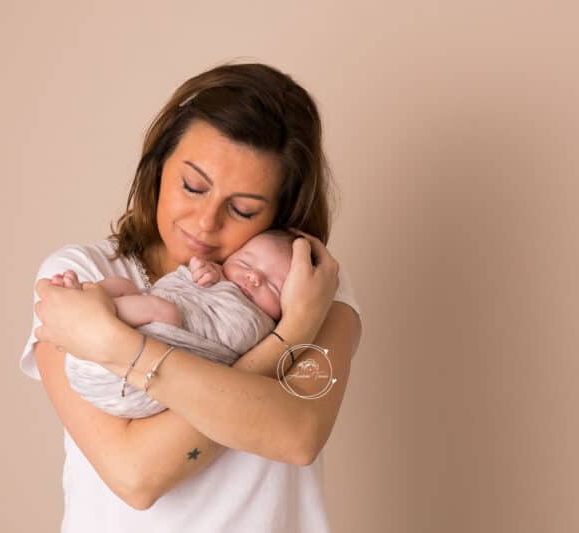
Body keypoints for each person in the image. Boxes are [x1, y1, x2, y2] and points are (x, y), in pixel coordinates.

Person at [22, 62, 363, 533]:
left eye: (243, 209)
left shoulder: (305, 287)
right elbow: (136, 476)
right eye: (193, 186)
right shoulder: (83, 277)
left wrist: (119, 346)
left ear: (282, 211)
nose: (206, 223)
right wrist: (285, 340)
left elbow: (297, 436)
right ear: (158, 165)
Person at [47, 229, 297, 418]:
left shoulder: (260, 324)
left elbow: (232, 332)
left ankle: (95, 311)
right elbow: (183, 287)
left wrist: (219, 286)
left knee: (163, 310)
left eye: (274, 287)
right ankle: (91, 301)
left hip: (130, 381)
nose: (253, 277)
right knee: (125, 286)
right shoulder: (221, 274)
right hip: (99, 360)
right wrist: (203, 272)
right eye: (245, 263)